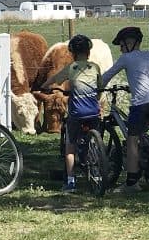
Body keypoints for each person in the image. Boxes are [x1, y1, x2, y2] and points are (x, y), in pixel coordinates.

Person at [102, 26, 149, 194]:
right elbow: (142, 76)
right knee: (144, 135)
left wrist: (96, 88)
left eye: (121, 45)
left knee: (131, 140)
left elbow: (108, 75)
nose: (120, 49)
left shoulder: (125, 58)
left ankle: (131, 182)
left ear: (129, 43)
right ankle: (148, 168)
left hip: (141, 103)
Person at [41, 34, 103, 193]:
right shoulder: (95, 67)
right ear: (88, 53)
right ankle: (97, 172)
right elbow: (99, 89)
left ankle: (70, 182)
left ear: (73, 54)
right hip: (93, 113)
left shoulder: (72, 68)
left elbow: (55, 79)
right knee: (93, 143)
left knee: (70, 148)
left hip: (77, 114)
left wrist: (45, 86)